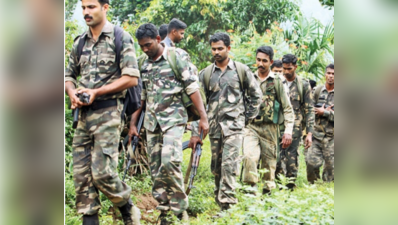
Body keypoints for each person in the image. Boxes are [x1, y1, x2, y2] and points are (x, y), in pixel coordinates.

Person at [64, 0, 141, 224]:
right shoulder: (80, 42)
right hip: (83, 117)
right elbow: (68, 76)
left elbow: (131, 78)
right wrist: (71, 93)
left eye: (91, 7)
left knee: (102, 173)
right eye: (83, 8)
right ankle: (90, 220)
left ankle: (126, 206)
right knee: (81, 176)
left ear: (105, 7)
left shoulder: (119, 37)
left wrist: (96, 92)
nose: (86, 12)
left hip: (108, 113)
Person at [130, 23, 208, 224]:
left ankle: (180, 210)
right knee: (156, 168)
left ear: (158, 39)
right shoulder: (143, 64)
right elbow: (141, 97)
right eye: (142, 46)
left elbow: (192, 88)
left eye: (148, 45)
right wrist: (132, 124)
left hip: (174, 119)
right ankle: (164, 210)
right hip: (152, 122)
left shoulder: (176, 57)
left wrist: (202, 117)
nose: (145, 49)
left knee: (169, 161)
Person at [189, 32, 262, 215]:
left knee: (229, 165)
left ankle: (228, 206)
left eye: (220, 48)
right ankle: (220, 201)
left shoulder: (240, 70)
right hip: (214, 129)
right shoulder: (205, 74)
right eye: (213, 49)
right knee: (217, 166)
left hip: (234, 128)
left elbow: (256, 96)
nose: (216, 52)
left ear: (228, 48)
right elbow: (198, 106)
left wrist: (246, 118)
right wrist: (194, 131)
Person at [241, 46, 294, 195]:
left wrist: (288, 131)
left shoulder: (278, 81)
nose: (261, 64)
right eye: (258, 60)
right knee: (249, 157)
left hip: (270, 129)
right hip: (251, 127)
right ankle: (249, 195)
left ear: (271, 62)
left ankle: (268, 199)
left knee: (269, 167)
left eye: (264, 61)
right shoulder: (249, 79)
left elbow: (287, 108)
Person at [275, 54, 315, 190]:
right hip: (278, 125)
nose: (286, 72)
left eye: (289, 69)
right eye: (284, 69)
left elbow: (309, 109)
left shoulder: (303, 84)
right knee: (277, 157)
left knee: (291, 158)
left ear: (295, 67)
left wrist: (309, 133)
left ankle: (290, 186)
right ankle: (278, 185)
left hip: (296, 128)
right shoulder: (277, 81)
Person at [306, 63, 334, 184]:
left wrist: (327, 113)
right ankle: (313, 187)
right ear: (325, 74)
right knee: (311, 163)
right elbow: (309, 109)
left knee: (331, 170)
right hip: (317, 134)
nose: (331, 76)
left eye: (334, 74)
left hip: (332, 137)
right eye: (328, 73)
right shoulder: (317, 90)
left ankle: (327, 192)